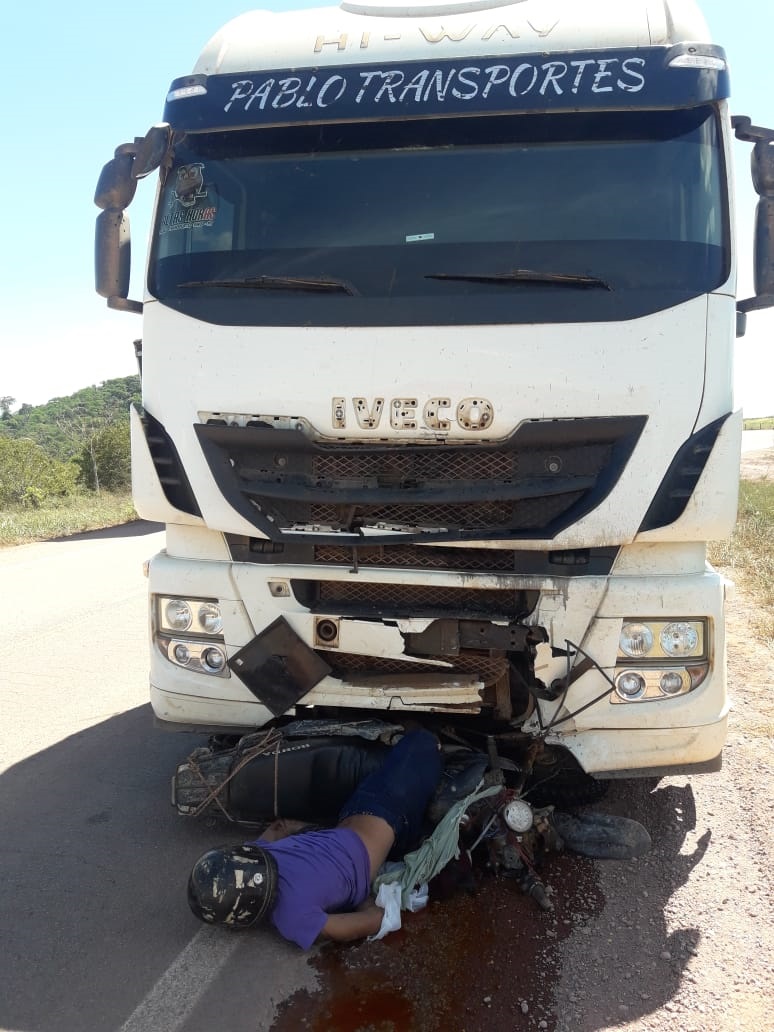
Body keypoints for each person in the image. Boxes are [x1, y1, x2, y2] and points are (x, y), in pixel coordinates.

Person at [187, 727, 443, 949]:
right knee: (423, 743)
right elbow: (281, 826)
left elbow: (372, 919)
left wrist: (362, 892)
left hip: (380, 828)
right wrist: (323, 831)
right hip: (375, 814)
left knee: (405, 766)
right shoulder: (262, 859)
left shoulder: (292, 920)